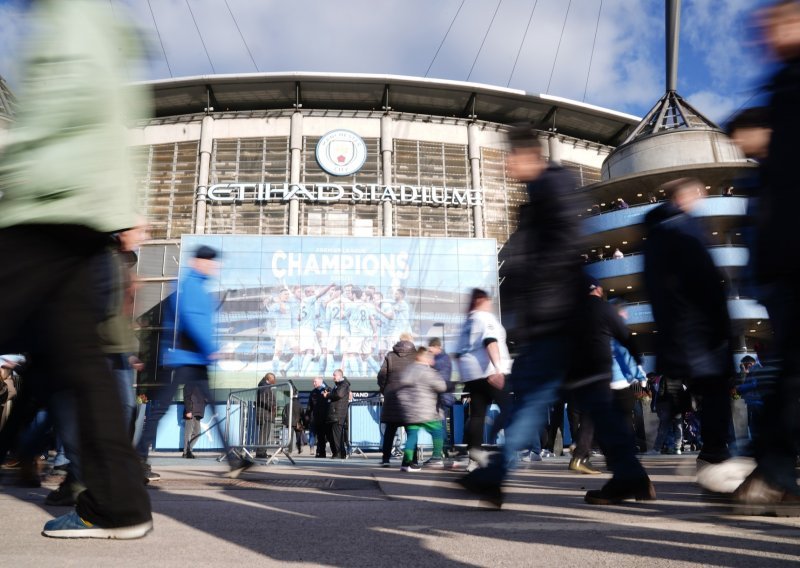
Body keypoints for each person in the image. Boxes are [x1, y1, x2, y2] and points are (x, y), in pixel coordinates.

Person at [0, 0, 153, 538]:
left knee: (81, 367)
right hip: (83, 207)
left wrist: (12, 172)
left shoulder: (67, 14)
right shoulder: (97, 21)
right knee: (80, 366)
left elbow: (62, 102)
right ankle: (119, 503)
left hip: (48, 201)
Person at [458, 123, 585, 508]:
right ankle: (630, 473)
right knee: (584, 400)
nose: (508, 166)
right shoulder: (537, 194)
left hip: (556, 315)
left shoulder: (553, 187)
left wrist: (543, 303)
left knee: (529, 400)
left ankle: (494, 475)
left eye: (510, 157)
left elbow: (564, 248)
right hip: (548, 317)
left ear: (528, 154)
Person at [643, 178, 735, 483]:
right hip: (698, 327)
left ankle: (712, 453)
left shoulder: (656, 233)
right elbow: (704, 283)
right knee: (714, 389)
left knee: (706, 391)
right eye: (700, 193)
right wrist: (720, 324)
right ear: (687, 196)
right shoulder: (682, 229)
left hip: (680, 328)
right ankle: (714, 456)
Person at [136, 246, 254, 480]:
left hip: (196, 360)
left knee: (208, 407)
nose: (214, 267)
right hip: (182, 359)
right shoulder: (189, 286)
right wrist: (212, 350)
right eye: (210, 262)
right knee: (161, 408)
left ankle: (233, 460)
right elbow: (191, 320)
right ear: (198, 262)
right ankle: (137, 458)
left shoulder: (198, 286)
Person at [454, 289, 512, 471]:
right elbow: (490, 341)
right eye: (488, 300)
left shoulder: (466, 323)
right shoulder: (484, 318)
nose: (490, 304)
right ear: (481, 300)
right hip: (489, 371)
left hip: (472, 375)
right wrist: (498, 369)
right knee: (510, 409)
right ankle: (508, 453)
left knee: (477, 415)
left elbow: (457, 354)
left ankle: (474, 457)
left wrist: (463, 375)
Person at [392, 347, 447, 471]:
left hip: (410, 412)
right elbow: (441, 386)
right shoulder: (428, 371)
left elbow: (399, 391)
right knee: (438, 432)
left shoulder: (407, 371)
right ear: (423, 358)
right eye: (429, 357)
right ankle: (436, 458)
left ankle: (406, 463)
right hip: (427, 411)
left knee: (412, 436)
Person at [377, 333, 417, 466]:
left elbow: (381, 375)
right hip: (410, 399)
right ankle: (412, 460)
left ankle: (386, 459)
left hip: (392, 397)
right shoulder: (416, 356)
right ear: (411, 341)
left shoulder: (390, 355)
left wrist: (385, 390)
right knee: (411, 431)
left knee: (390, 430)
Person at [324, 369, 350, 459]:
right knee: (336, 435)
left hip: (338, 414)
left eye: (334, 375)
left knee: (337, 435)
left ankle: (338, 453)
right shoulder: (338, 385)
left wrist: (328, 395)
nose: (333, 377)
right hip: (335, 414)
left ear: (339, 376)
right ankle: (340, 453)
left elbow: (338, 394)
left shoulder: (344, 384)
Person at [182, 381, 206, 459]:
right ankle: (185, 453)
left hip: (198, 412)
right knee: (188, 433)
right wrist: (188, 411)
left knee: (197, 433)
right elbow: (186, 397)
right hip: (191, 411)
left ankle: (189, 449)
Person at [255, 372, 276, 458]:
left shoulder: (264, 386)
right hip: (264, 414)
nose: (274, 382)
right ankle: (260, 452)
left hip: (265, 413)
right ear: (269, 379)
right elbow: (263, 399)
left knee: (264, 433)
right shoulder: (264, 386)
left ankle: (262, 452)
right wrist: (271, 406)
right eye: (273, 380)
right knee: (264, 433)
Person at [308, 377, 330, 458]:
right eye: (313, 382)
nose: (314, 383)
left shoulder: (325, 390)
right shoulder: (312, 392)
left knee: (324, 435)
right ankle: (320, 452)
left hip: (324, 417)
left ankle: (323, 451)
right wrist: (309, 416)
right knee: (319, 436)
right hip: (315, 417)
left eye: (315, 382)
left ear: (321, 382)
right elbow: (310, 405)